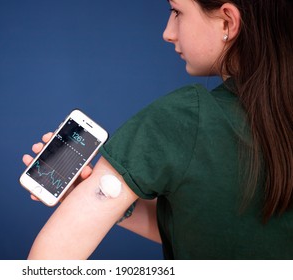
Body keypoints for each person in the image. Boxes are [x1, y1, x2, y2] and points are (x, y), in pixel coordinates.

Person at [22, 0, 293, 259]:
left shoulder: (185, 118)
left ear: (227, 22)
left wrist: (89, 204)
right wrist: (118, 207)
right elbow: (210, 233)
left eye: (177, 12)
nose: (167, 33)